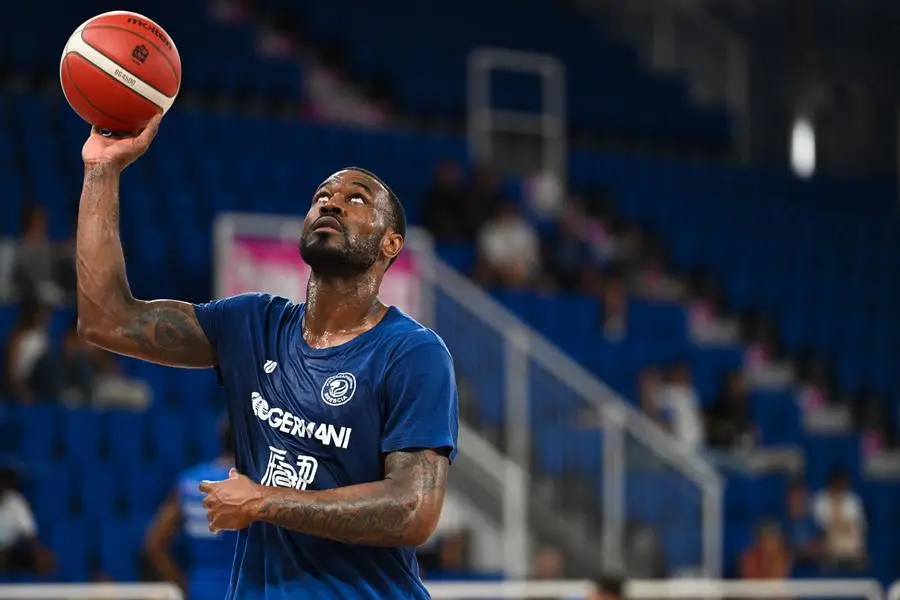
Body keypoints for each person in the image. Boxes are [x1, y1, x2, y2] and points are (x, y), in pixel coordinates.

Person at [76, 115, 459, 600]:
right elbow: (105, 320)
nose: (332, 202)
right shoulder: (251, 324)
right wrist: (102, 170)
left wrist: (264, 500)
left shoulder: (413, 353)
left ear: (391, 244)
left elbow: (413, 509)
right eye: (321, 196)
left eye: (355, 198)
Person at [145, 420, 237, 600]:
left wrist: (182, 584)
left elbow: (153, 544)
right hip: (243, 589)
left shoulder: (190, 480)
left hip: (200, 588)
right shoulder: (251, 485)